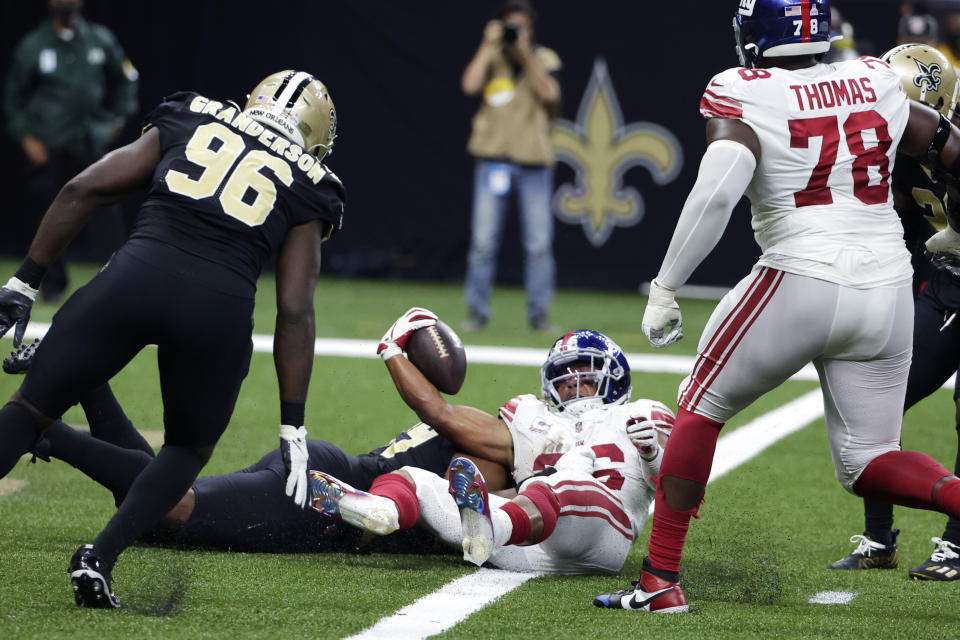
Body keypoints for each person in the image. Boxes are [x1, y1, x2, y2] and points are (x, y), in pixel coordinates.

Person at [595, 0, 960, 613]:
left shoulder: (742, 88)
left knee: (698, 410)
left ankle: (659, 582)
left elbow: (718, 189)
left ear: (753, 37)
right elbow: (952, 152)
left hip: (800, 275)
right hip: (890, 286)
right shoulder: (875, 76)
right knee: (869, 459)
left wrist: (666, 285)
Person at [0, 70, 345, 608]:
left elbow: (83, 188)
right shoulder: (313, 183)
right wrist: (293, 423)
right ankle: (99, 557)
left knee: (28, 410)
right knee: (187, 448)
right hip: (216, 312)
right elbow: (295, 307)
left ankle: (56, 415)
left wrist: (25, 280)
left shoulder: (192, 112)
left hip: (131, 278)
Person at [311, 325, 676, 576]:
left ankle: (491, 528)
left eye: (587, 375)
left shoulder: (642, 414)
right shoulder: (529, 416)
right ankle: (382, 510)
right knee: (415, 480)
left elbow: (681, 488)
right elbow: (443, 415)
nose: (575, 385)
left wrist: (651, 454)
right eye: (566, 378)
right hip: (521, 545)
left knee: (568, 481)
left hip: (601, 538)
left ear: (615, 379)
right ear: (551, 385)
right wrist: (394, 351)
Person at [828, 43, 960, 580]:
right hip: (943, 286)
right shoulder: (891, 145)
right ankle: (880, 538)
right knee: (878, 406)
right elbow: (896, 216)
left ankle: (957, 542)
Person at [4, 0, 139, 302]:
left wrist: (115, 119)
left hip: (89, 140)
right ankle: (49, 283)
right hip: (49, 143)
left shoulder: (100, 39)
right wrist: (26, 136)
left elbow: (127, 79)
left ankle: (117, 281)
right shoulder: (33, 45)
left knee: (106, 211)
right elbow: (13, 98)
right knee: (46, 212)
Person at [460, 0, 561, 333]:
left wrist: (524, 55)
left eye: (521, 27)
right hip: (493, 161)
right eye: (509, 27)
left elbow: (550, 97)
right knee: (483, 243)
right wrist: (488, 44)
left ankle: (539, 313)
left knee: (538, 244)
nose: (515, 34)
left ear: (531, 30)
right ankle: (477, 311)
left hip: (534, 163)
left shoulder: (544, 59)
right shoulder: (492, 58)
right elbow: (470, 85)